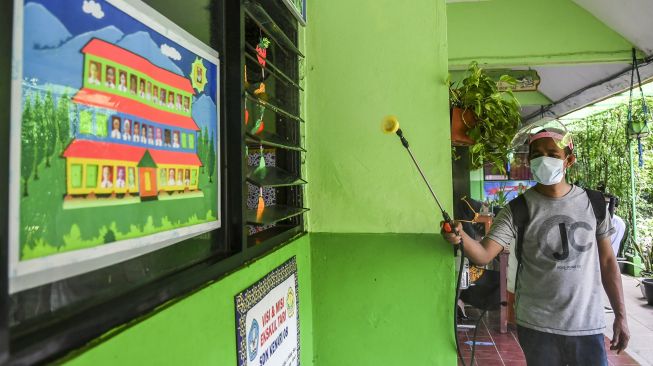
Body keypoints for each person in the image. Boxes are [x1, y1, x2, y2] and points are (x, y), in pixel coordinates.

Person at [442, 121, 629, 366]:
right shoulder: (517, 209)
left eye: (553, 155)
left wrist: (621, 316)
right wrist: (460, 237)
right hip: (537, 326)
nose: (545, 160)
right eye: (537, 155)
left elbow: (607, 263)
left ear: (568, 160)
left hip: (587, 325)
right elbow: (484, 254)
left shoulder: (594, 204)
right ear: (529, 161)